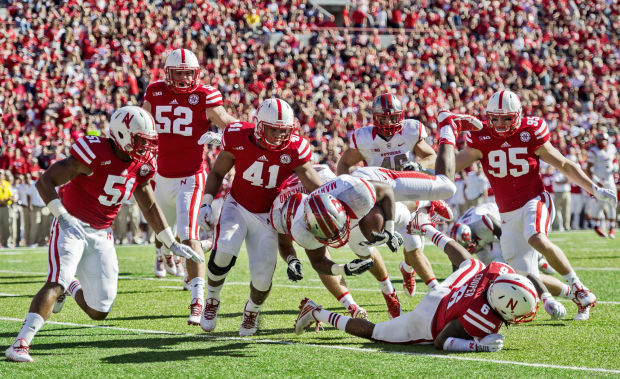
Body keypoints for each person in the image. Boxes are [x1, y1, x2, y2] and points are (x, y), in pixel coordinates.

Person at [5, 106, 203, 363]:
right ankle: (20, 343)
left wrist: (170, 243)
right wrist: (62, 217)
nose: (145, 148)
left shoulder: (141, 164)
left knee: (99, 311)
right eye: (140, 141)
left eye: (148, 142)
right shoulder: (94, 152)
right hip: (71, 225)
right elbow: (45, 182)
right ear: (121, 135)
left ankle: (71, 286)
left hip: (102, 234)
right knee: (56, 280)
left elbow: (150, 205)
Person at [455, 89, 617, 320]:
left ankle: (578, 285)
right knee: (524, 273)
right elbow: (451, 167)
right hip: (507, 214)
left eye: (507, 118)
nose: (500, 123)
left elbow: (563, 163)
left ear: (518, 115)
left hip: (534, 199)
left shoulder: (530, 131)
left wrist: (594, 188)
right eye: (496, 118)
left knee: (536, 237)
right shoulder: (480, 136)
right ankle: (578, 295)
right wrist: (441, 144)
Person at [294, 211, 542, 353]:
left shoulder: (498, 273)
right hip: (428, 320)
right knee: (376, 333)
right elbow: (442, 341)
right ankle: (316, 312)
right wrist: (477, 346)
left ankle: (426, 227)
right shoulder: (483, 316)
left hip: (445, 294)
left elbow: (467, 261)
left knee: (472, 264)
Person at [199, 98, 323, 336]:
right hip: (238, 204)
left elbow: (313, 183)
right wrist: (206, 202)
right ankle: (212, 299)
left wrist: (332, 200)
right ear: (258, 125)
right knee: (224, 247)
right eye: (272, 129)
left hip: (269, 215)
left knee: (263, 275)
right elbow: (217, 172)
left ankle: (252, 310)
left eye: (282, 131)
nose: (277, 135)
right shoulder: (237, 136)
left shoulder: (295, 148)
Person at [142, 48, 237, 325]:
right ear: (168, 74)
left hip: (190, 177)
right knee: (161, 231)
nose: (184, 78)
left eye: (188, 73)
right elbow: (141, 123)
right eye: (179, 73)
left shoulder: (206, 95)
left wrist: (224, 134)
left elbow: (228, 121)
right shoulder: (155, 92)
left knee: (188, 232)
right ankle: (163, 254)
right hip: (161, 174)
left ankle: (198, 299)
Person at [335, 93, 444, 303]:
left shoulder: (410, 131)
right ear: (374, 117)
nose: (388, 122)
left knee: (414, 247)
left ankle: (407, 268)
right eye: (383, 118)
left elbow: (431, 156)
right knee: (391, 241)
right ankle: (404, 288)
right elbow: (343, 163)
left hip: (405, 192)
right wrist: (346, 187)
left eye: (393, 117)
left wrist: (420, 166)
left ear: (401, 116)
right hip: (379, 195)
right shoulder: (365, 138)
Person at [270, 165, 405, 319]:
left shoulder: (333, 185)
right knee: (318, 253)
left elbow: (383, 190)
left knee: (361, 244)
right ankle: (352, 307)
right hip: (309, 214)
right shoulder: (281, 214)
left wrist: (388, 228)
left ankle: (389, 293)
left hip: (333, 205)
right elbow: (291, 247)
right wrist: (292, 260)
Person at [586, 132, 617, 238]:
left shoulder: (612, 148)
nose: (602, 142)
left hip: (610, 180)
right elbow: (588, 169)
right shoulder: (593, 151)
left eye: (604, 140)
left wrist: (614, 168)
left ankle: (612, 228)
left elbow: (615, 161)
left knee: (613, 203)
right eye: (600, 140)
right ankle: (596, 226)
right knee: (599, 204)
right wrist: (596, 181)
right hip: (599, 181)